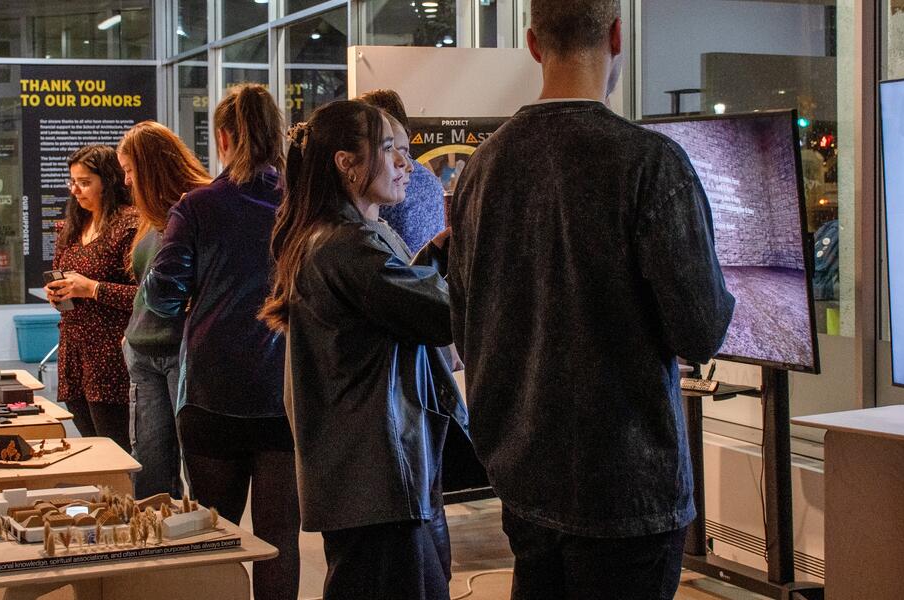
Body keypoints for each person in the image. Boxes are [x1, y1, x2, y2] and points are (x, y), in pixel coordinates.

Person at [446, 1, 736, 598]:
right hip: (629, 491)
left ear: (531, 44)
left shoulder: (481, 168)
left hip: (522, 479)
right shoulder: (650, 163)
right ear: (616, 34)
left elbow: (464, 325)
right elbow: (701, 331)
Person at [260, 102, 463, 599]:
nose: (405, 164)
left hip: (362, 478)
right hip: (377, 478)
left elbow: (396, 301)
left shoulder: (333, 237)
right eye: (390, 149)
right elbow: (439, 315)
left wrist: (437, 255)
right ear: (346, 162)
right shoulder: (347, 244)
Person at [140, 84, 299, 600]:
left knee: (214, 536)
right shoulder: (300, 206)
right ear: (277, 135)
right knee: (278, 540)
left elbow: (162, 296)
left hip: (211, 393)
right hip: (285, 396)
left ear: (224, 138)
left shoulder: (198, 206)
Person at [117, 121, 211, 499]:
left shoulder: (195, 209)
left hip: (181, 351)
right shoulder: (152, 217)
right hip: (143, 351)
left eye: (129, 171)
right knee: (150, 469)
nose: (126, 181)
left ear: (151, 167)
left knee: (197, 466)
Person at [48, 144, 140, 453]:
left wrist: (93, 288)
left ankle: (124, 501)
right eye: (72, 181)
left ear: (110, 181)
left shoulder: (130, 225)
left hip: (111, 353)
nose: (75, 190)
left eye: (85, 182)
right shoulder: (73, 226)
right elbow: (60, 273)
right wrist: (57, 292)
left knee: (116, 446)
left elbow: (146, 296)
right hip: (75, 347)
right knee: (92, 444)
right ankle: (106, 499)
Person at [358, 89, 447, 255]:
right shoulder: (352, 238)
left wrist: (431, 254)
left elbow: (403, 275)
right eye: (388, 148)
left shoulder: (373, 224)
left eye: (402, 151)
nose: (406, 165)